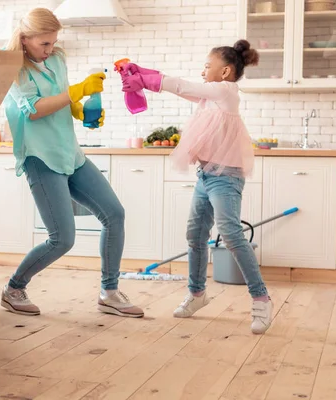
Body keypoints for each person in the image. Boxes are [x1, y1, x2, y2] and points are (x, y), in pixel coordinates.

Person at [120, 39, 272, 334]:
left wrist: (145, 80)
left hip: (226, 176)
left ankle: (261, 298)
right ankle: (197, 293)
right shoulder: (211, 97)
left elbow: (180, 85)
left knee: (230, 234)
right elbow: (181, 88)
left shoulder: (225, 92)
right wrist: (140, 72)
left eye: (207, 66)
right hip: (206, 175)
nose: (203, 71)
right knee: (195, 234)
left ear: (225, 72)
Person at [0, 7, 144, 318]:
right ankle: (14, 288)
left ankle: (109, 292)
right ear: (24, 40)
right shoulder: (11, 66)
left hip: (71, 153)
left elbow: (62, 99)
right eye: (44, 44)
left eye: (53, 42)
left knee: (114, 214)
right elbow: (34, 110)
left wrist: (82, 111)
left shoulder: (57, 59)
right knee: (62, 239)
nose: (50, 50)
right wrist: (78, 91)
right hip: (41, 157)